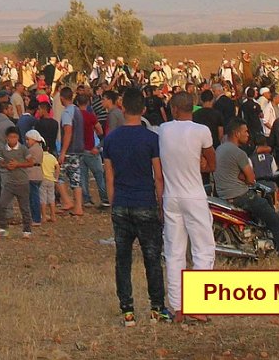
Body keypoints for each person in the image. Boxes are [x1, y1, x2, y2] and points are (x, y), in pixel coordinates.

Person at [100, 86, 171, 327]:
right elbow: (158, 175)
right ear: (142, 109)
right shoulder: (152, 138)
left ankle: (127, 311)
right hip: (145, 202)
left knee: (123, 259)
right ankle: (156, 309)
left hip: (121, 202)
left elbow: (109, 177)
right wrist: (160, 202)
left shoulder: (110, 139)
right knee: (152, 257)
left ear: (122, 107)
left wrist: (113, 203)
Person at [157, 91, 215, 323]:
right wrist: (198, 164)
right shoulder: (202, 131)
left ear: (174, 109)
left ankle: (177, 306)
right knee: (203, 250)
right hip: (194, 195)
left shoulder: (163, 130)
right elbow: (212, 164)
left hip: (171, 196)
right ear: (193, 108)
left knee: (174, 251)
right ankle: (198, 304)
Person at [214, 118, 279, 267]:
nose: (248, 135)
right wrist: (245, 178)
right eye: (245, 131)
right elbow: (251, 179)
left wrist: (241, 176)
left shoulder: (220, 149)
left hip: (224, 195)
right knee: (275, 219)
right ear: (237, 133)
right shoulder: (238, 153)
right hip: (241, 196)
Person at [0, 126, 34, 238]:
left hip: (22, 183)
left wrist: (18, 164)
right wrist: (7, 165)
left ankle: (27, 230)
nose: (13, 139)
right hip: (9, 183)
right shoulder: (3, 150)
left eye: (15, 137)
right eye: (11, 137)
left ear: (18, 137)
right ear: (7, 138)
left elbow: (31, 162)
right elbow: (0, 162)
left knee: (24, 208)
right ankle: (3, 229)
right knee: (2, 204)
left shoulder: (23, 149)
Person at [57, 87, 85, 216]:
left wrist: (63, 151)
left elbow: (68, 131)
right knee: (76, 178)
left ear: (62, 98)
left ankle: (67, 201)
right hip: (79, 148)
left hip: (69, 149)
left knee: (58, 176)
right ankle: (78, 207)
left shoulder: (67, 113)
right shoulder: (77, 110)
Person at [24, 130, 45, 225]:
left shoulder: (32, 150)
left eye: (28, 139)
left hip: (32, 174)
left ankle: (36, 218)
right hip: (39, 174)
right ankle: (36, 217)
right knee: (35, 196)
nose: (27, 141)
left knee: (33, 198)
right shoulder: (40, 148)